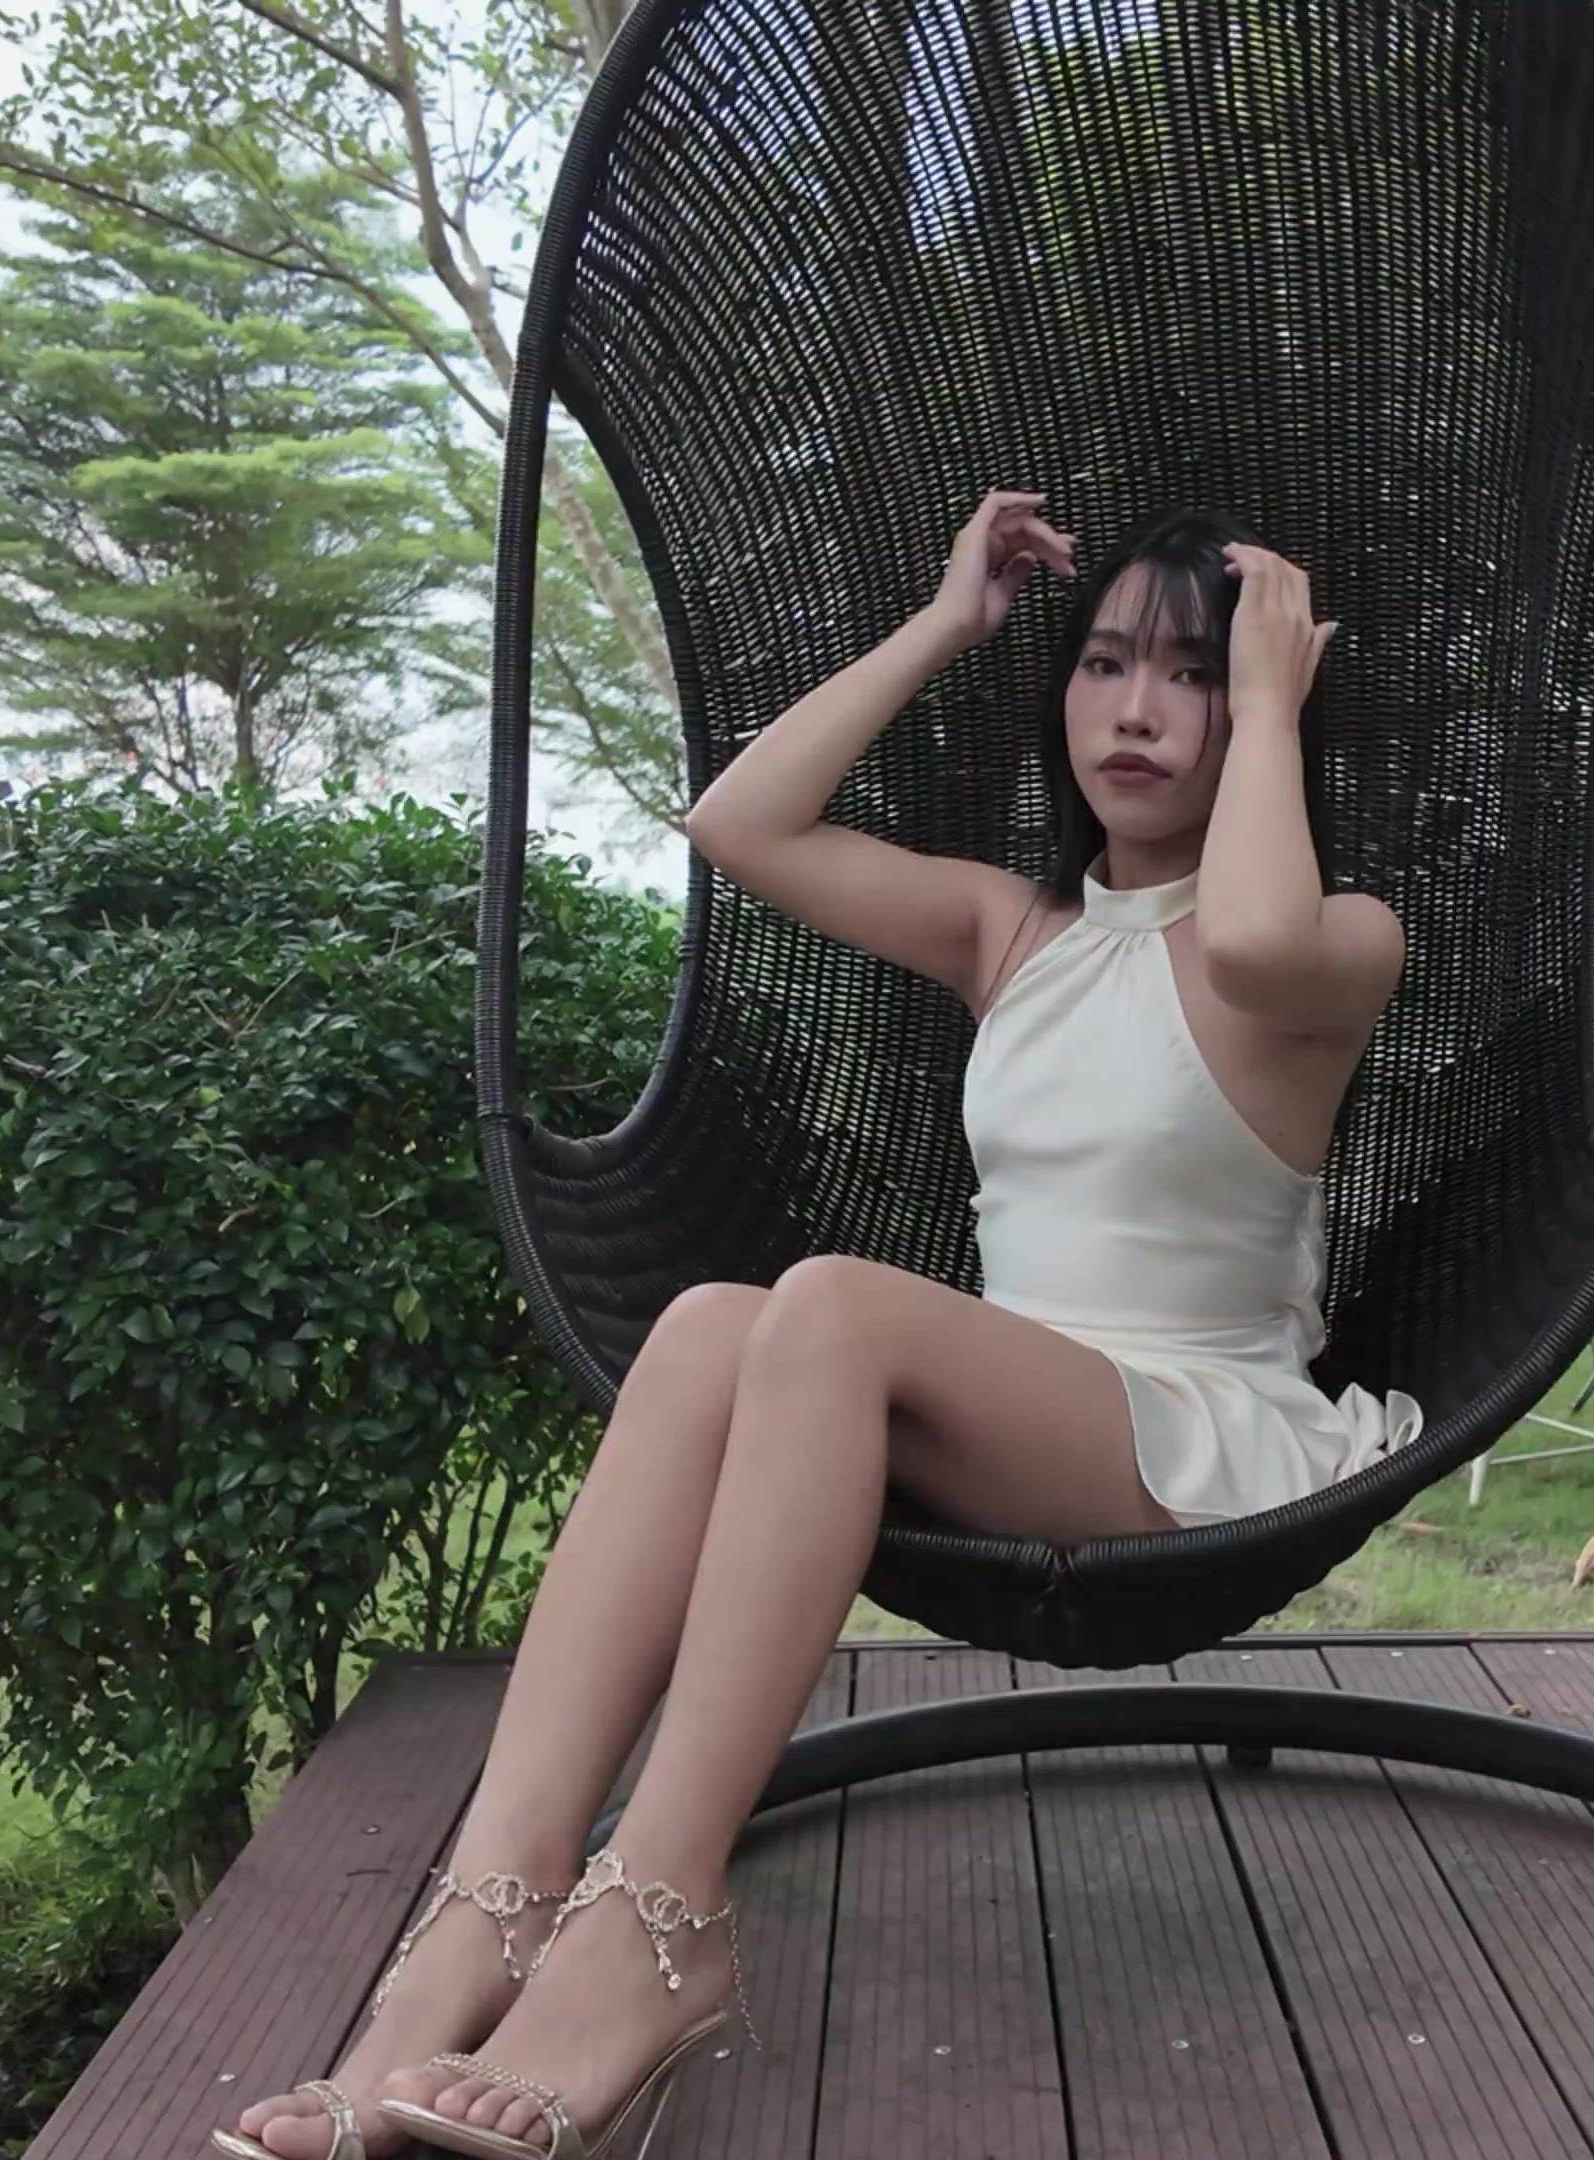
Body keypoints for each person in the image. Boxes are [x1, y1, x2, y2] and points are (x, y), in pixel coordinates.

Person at [217, 492, 1415, 2160]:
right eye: (1103, 663)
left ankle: (660, 1920)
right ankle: (494, 1903)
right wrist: (947, 619)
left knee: (831, 1305)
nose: (1137, 709)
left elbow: (1262, 933)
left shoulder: (1339, 943)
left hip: (1197, 1438)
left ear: (1260, 700)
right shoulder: (1015, 934)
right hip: (1000, 1409)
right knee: (714, 1325)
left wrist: (1280, 689)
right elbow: (739, 821)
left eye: (1193, 674)